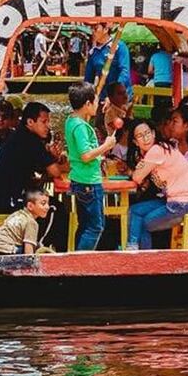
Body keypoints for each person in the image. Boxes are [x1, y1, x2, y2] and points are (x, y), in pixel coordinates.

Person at [125, 121, 188, 250]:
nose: (145, 138)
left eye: (147, 133)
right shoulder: (152, 153)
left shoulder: (157, 149)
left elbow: (137, 177)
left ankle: (141, 259)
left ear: (153, 134)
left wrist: (138, 169)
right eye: (140, 136)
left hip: (187, 204)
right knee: (134, 210)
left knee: (144, 223)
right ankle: (132, 247)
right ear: (135, 142)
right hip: (175, 201)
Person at [0, 101, 69, 213]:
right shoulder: (30, 140)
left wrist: (55, 159)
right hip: (5, 202)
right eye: (44, 122)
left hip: (0, 199)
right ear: (30, 122)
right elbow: (55, 172)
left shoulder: (21, 135)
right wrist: (73, 166)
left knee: (54, 205)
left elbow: (44, 168)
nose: (48, 126)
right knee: (55, 209)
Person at [65, 82, 116, 251]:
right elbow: (85, 156)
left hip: (81, 179)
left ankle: (76, 259)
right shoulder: (80, 126)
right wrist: (106, 146)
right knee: (95, 226)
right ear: (87, 104)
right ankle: (81, 260)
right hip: (88, 182)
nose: (97, 104)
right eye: (95, 101)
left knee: (85, 225)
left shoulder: (71, 121)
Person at [0, 188, 51, 256]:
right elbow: (28, 253)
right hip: (5, 251)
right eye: (43, 203)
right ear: (30, 206)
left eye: (48, 203)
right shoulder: (32, 223)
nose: (47, 207)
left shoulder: (15, 214)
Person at [84, 23, 132, 101]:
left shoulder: (119, 46)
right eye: (91, 28)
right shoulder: (93, 53)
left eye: (95, 28)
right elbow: (88, 79)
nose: (92, 31)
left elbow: (124, 72)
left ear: (106, 29)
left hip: (120, 98)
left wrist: (114, 95)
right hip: (102, 96)